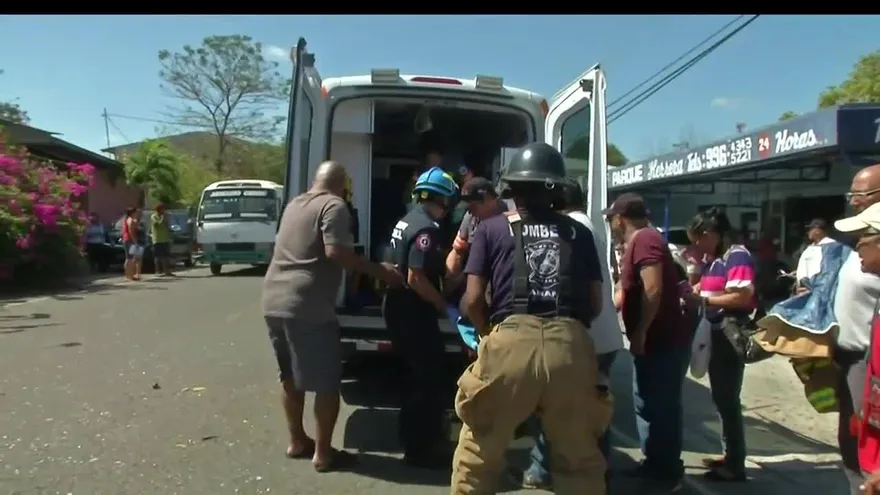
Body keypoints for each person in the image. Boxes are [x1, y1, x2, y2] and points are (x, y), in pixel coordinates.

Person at [451, 142, 610, 494]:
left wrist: (487, 335)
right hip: (569, 346)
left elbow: (474, 299)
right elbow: (595, 303)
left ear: (513, 188)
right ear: (557, 188)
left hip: (508, 343)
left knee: (479, 454)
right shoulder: (579, 233)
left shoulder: (489, 229)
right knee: (579, 460)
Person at [261, 161, 404, 473]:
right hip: (307, 305)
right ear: (342, 184)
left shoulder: (294, 204)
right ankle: (324, 453)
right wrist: (381, 271)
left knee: (289, 376)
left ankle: (297, 440)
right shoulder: (335, 206)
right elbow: (335, 252)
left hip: (273, 300)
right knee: (327, 384)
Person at [522, 181, 624, 491]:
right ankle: (560, 468)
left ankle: (570, 471)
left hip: (589, 337)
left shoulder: (573, 228)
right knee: (586, 407)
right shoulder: (586, 225)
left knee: (573, 408)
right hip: (599, 335)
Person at [606, 192, 690, 493]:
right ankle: (654, 463)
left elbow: (652, 290)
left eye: (611, 218)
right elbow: (629, 291)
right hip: (654, 342)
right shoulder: (638, 242)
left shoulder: (645, 240)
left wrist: (641, 331)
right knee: (646, 403)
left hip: (662, 341)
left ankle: (666, 472)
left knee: (662, 407)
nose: (611, 224)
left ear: (620, 218)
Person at [383, 166, 460, 469]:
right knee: (426, 380)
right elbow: (416, 278)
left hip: (399, 308)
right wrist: (442, 304)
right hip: (412, 311)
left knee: (414, 377)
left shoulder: (407, 220)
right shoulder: (427, 229)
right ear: (444, 201)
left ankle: (412, 439)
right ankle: (420, 449)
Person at [681, 208, 755, 483]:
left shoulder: (737, 256)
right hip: (713, 332)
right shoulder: (714, 260)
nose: (695, 246)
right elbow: (704, 288)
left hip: (728, 332)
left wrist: (704, 302)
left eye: (697, 240)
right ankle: (730, 454)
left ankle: (735, 464)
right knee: (721, 398)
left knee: (727, 398)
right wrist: (695, 285)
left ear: (710, 234)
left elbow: (741, 295)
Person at [834, 164, 880, 494]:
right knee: (852, 440)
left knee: (871, 443)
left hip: (870, 366)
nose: (852, 201)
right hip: (848, 358)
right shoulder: (860, 245)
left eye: (859, 194)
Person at [445, 177, 508, 294]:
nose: (470, 212)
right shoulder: (471, 218)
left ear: (488, 199)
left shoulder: (510, 214)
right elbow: (456, 254)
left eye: (473, 207)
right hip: (477, 278)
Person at [793, 218, 834, 289]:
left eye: (810, 229)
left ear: (818, 231)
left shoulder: (832, 246)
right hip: (806, 288)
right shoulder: (809, 248)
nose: (808, 232)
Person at [150, 203, 173, 277]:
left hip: (165, 239)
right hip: (157, 239)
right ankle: (158, 271)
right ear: (158, 209)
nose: (164, 210)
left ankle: (167, 271)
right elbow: (158, 224)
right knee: (158, 256)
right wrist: (163, 217)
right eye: (163, 209)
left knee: (166, 256)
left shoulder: (165, 217)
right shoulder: (154, 216)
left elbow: (167, 226)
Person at [122, 207, 143, 281]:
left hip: (128, 240)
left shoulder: (128, 220)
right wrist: (135, 241)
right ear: (132, 213)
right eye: (135, 212)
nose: (136, 213)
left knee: (129, 258)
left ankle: (129, 275)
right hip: (129, 240)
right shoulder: (130, 220)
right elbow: (131, 232)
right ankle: (129, 275)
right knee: (129, 258)